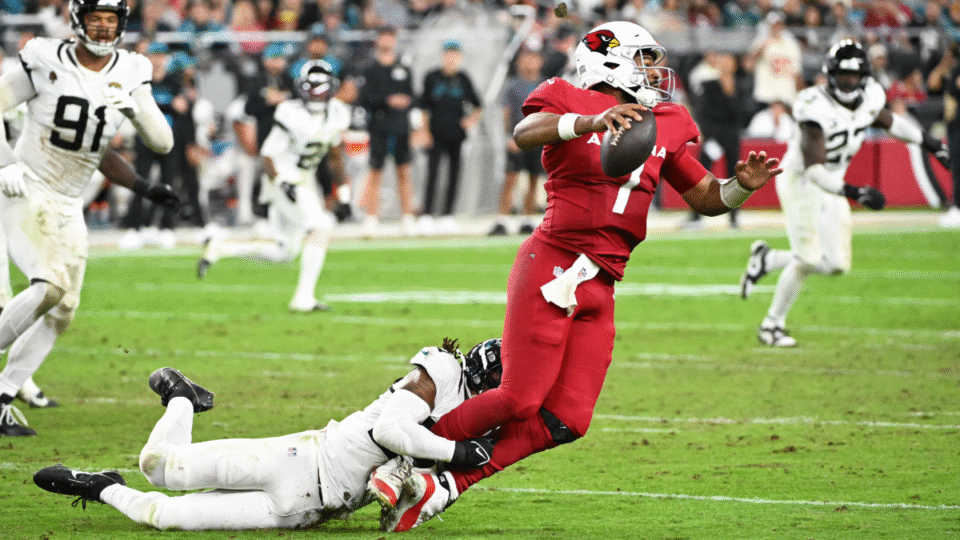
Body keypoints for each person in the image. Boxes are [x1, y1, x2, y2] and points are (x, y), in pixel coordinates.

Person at [375, 21, 783, 532]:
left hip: (603, 281)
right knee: (521, 399)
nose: (655, 71)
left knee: (567, 418)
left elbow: (704, 197)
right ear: (609, 62)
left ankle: (442, 487)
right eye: (644, 60)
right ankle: (404, 460)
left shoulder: (668, 119)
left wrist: (740, 189)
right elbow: (524, 134)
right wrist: (589, 122)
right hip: (554, 264)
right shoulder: (566, 95)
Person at [33, 337, 503, 531]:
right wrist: (458, 451)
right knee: (158, 466)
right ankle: (183, 397)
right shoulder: (441, 371)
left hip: (306, 511)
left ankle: (99, 486)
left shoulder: (483, 421)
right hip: (303, 459)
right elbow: (389, 429)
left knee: (165, 517)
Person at [0, 0, 177, 436]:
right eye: (96, 18)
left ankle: (4, 394)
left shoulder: (131, 69)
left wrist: (137, 120)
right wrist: (5, 163)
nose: (102, 28)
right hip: (27, 187)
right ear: (79, 20)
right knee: (49, 285)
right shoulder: (45, 57)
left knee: (65, 308)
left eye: (110, 20)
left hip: (67, 200)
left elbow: (161, 142)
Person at [739, 40, 949, 347]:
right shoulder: (812, 105)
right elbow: (813, 168)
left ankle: (767, 259)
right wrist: (855, 192)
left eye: (853, 77)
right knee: (808, 258)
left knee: (836, 264)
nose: (848, 83)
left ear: (864, 77)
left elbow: (886, 120)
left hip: (833, 181)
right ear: (829, 75)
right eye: (841, 76)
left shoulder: (871, 96)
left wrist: (929, 142)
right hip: (801, 181)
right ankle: (771, 325)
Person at [198, 60, 349, 313]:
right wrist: (282, 182)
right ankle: (303, 299)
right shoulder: (290, 112)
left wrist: (344, 195)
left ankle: (222, 246)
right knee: (321, 227)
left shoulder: (338, 113)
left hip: (305, 179)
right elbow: (267, 156)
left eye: (321, 88)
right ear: (301, 87)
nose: (316, 93)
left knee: (285, 253)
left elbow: (335, 158)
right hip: (283, 177)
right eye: (311, 87)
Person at [416, 39, 483, 235]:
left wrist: (470, 121)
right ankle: (427, 214)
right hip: (435, 133)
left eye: (455, 54)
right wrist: (424, 131)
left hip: (456, 134)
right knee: (433, 173)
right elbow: (424, 107)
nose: (451, 58)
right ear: (442, 56)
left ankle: (447, 215)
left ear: (459, 57)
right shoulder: (432, 77)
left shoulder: (463, 78)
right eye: (448, 54)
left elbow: (478, 105)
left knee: (454, 174)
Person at [356, 27, 417, 236]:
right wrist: (387, 101)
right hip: (379, 127)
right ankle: (371, 216)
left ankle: (407, 217)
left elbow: (412, 97)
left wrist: (406, 103)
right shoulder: (370, 69)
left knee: (404, 172)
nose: (387, 41)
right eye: (384, 37)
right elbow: (364, 98)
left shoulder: (404, 68)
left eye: (390, 37)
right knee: (375, 172)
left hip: (401, 126)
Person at [489, 48, 546, 236]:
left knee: (533, 179)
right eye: (526, 59)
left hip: (538, 138)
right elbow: (506, 113)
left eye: (533, 58)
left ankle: (527, 219)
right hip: (518, 139)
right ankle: (502, 219)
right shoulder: (513, 85)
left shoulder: (544, 85)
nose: (530, 63)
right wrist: (509, 137)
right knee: (510, 178)